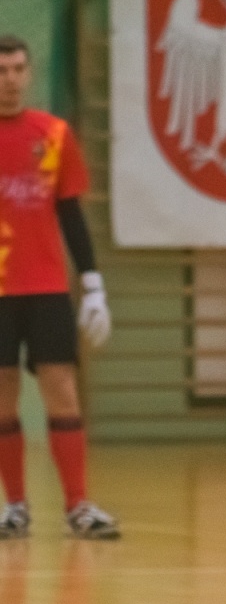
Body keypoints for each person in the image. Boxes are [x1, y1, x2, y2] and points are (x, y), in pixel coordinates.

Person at [0, 36, 118, 540]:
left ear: (30, 73)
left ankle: (78, 506)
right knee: (2, 397)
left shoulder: (53, 134)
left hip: (46, 287)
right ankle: (16, 507)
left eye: (17, 69)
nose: (9, 79)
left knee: (62, 391)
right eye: (1, 70)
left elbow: (70, 212)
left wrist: (92, 285)